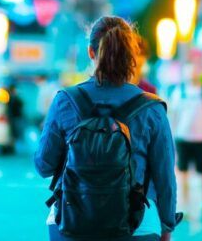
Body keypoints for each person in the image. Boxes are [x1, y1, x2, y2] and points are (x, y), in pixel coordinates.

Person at [35, 16, 179, 241]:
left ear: (91, 52)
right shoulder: (152, 108)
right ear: (132, 55)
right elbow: (165, 178)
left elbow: (44, 165)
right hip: (137, 224)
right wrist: (167, 226)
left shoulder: (65, 100)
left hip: (72, 222)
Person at [169, 68, 202, 217]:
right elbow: (174, 115)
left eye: (194, 72)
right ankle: (187, 205)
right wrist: (172, 136)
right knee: (183, 174)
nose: (192, 75)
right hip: (183, 138)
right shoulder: (179, 92)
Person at [7, 82, 25, 148]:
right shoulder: (12, 99)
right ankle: (14, 144)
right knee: (14, 132)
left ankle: (15, 144)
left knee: (15, 131)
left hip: (16, 117)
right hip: (14, 118)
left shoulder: (13, 99)